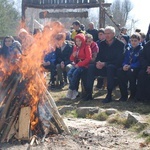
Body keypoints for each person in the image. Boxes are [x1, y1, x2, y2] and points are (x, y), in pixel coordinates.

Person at [84, 26, 124, 102]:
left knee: (110, 67)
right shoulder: (101, 44)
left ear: (113, 34)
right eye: (105, 33)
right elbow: (98, 57)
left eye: (108, 33)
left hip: (113, 68)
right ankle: (88, 93)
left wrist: (105, 63)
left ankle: (109, 95)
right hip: (102, 67)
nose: (106, 35)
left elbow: (119, 60)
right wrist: (98, 63)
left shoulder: (120, 44)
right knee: (91, 67)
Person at [117, 33, 143, 101]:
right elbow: (125, 58)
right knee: (119, 72)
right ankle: (124, 95)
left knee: (130, 73)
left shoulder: (141, 50)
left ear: (139, 41)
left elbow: (140, 62)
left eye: (135, 41)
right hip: (127, 67)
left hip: (136, 69)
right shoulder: (128, 49)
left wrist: (131, 66)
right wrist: (124, 65)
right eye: (132, 40)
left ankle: (133, 94)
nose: (133, 42)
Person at [66, 33, 92, 100]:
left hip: (84, 65)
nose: (78, 42)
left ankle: (71, 90)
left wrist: (80, 64)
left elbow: (88, 58)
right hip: (76, 64)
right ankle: (74, 90)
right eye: (76, 41)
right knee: (69, 74)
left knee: (75, 73)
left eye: (79, 41)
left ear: (83, 40)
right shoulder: (75, 48)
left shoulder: (86, 47)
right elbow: (71, 58)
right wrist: (73, 56)